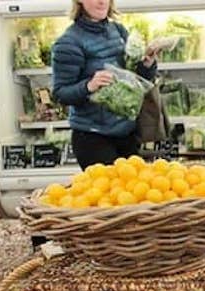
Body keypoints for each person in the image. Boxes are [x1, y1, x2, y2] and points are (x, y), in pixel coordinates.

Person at [52, 0, 158, 169]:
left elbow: (136, 79)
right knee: (109, 193)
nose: (101, 2)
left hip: (127, 133)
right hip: (93, 138)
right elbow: (60, 93)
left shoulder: (118, 31)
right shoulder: (68, 43)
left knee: (134, 191)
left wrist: (147, 65)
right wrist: (89, 86)